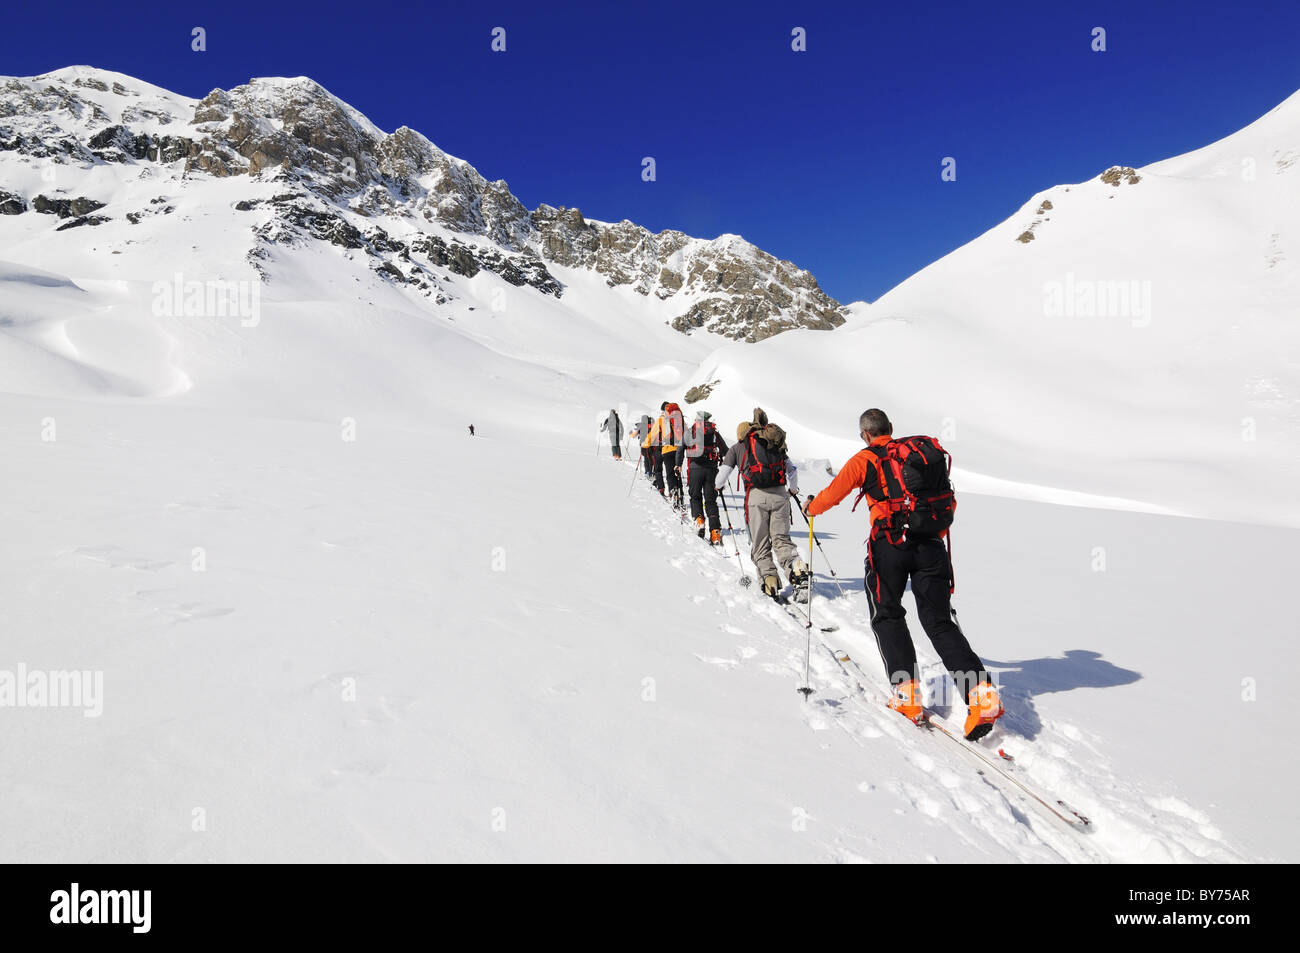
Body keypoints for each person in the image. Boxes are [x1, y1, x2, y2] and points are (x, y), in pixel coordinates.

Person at [801, 408, 1003, 741]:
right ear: (890, 429)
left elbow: (832, 495)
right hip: (930, 545)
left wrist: (810, 507)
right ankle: (982, 696)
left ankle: (907, 695)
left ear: (865, 434)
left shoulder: (864, 459)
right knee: (939, 622)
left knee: (887, 615)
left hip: (890, 546)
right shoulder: (917, 454)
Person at [715, 408, 808, 599]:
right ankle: (796, 567)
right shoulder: (773, 442)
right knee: (781, 539)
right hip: (781, 496)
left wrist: (718, 487)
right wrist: (793, 490)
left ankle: (770, 580)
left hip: (756, 497)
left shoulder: (737, 448)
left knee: (760, 543)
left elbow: (721, 476)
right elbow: (792, 471)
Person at [685, 410, 728, 544]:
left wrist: (677, 464)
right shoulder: (714, 432)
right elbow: (725, 450)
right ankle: (715, 532)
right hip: (711, 469)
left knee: (695, 496)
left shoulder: (691, 431)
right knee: (710, 500)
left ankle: (699, 521)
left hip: (695, 468)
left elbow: (681, 448)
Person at [649, 401, 685, 505]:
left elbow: (652, 435)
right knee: (677, 472)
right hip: (679, 449)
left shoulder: (661, 419)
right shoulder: (678, 418)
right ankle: (680, 494)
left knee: (670, 473)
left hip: (667, 450)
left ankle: (673, 493)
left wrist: (645, 444)